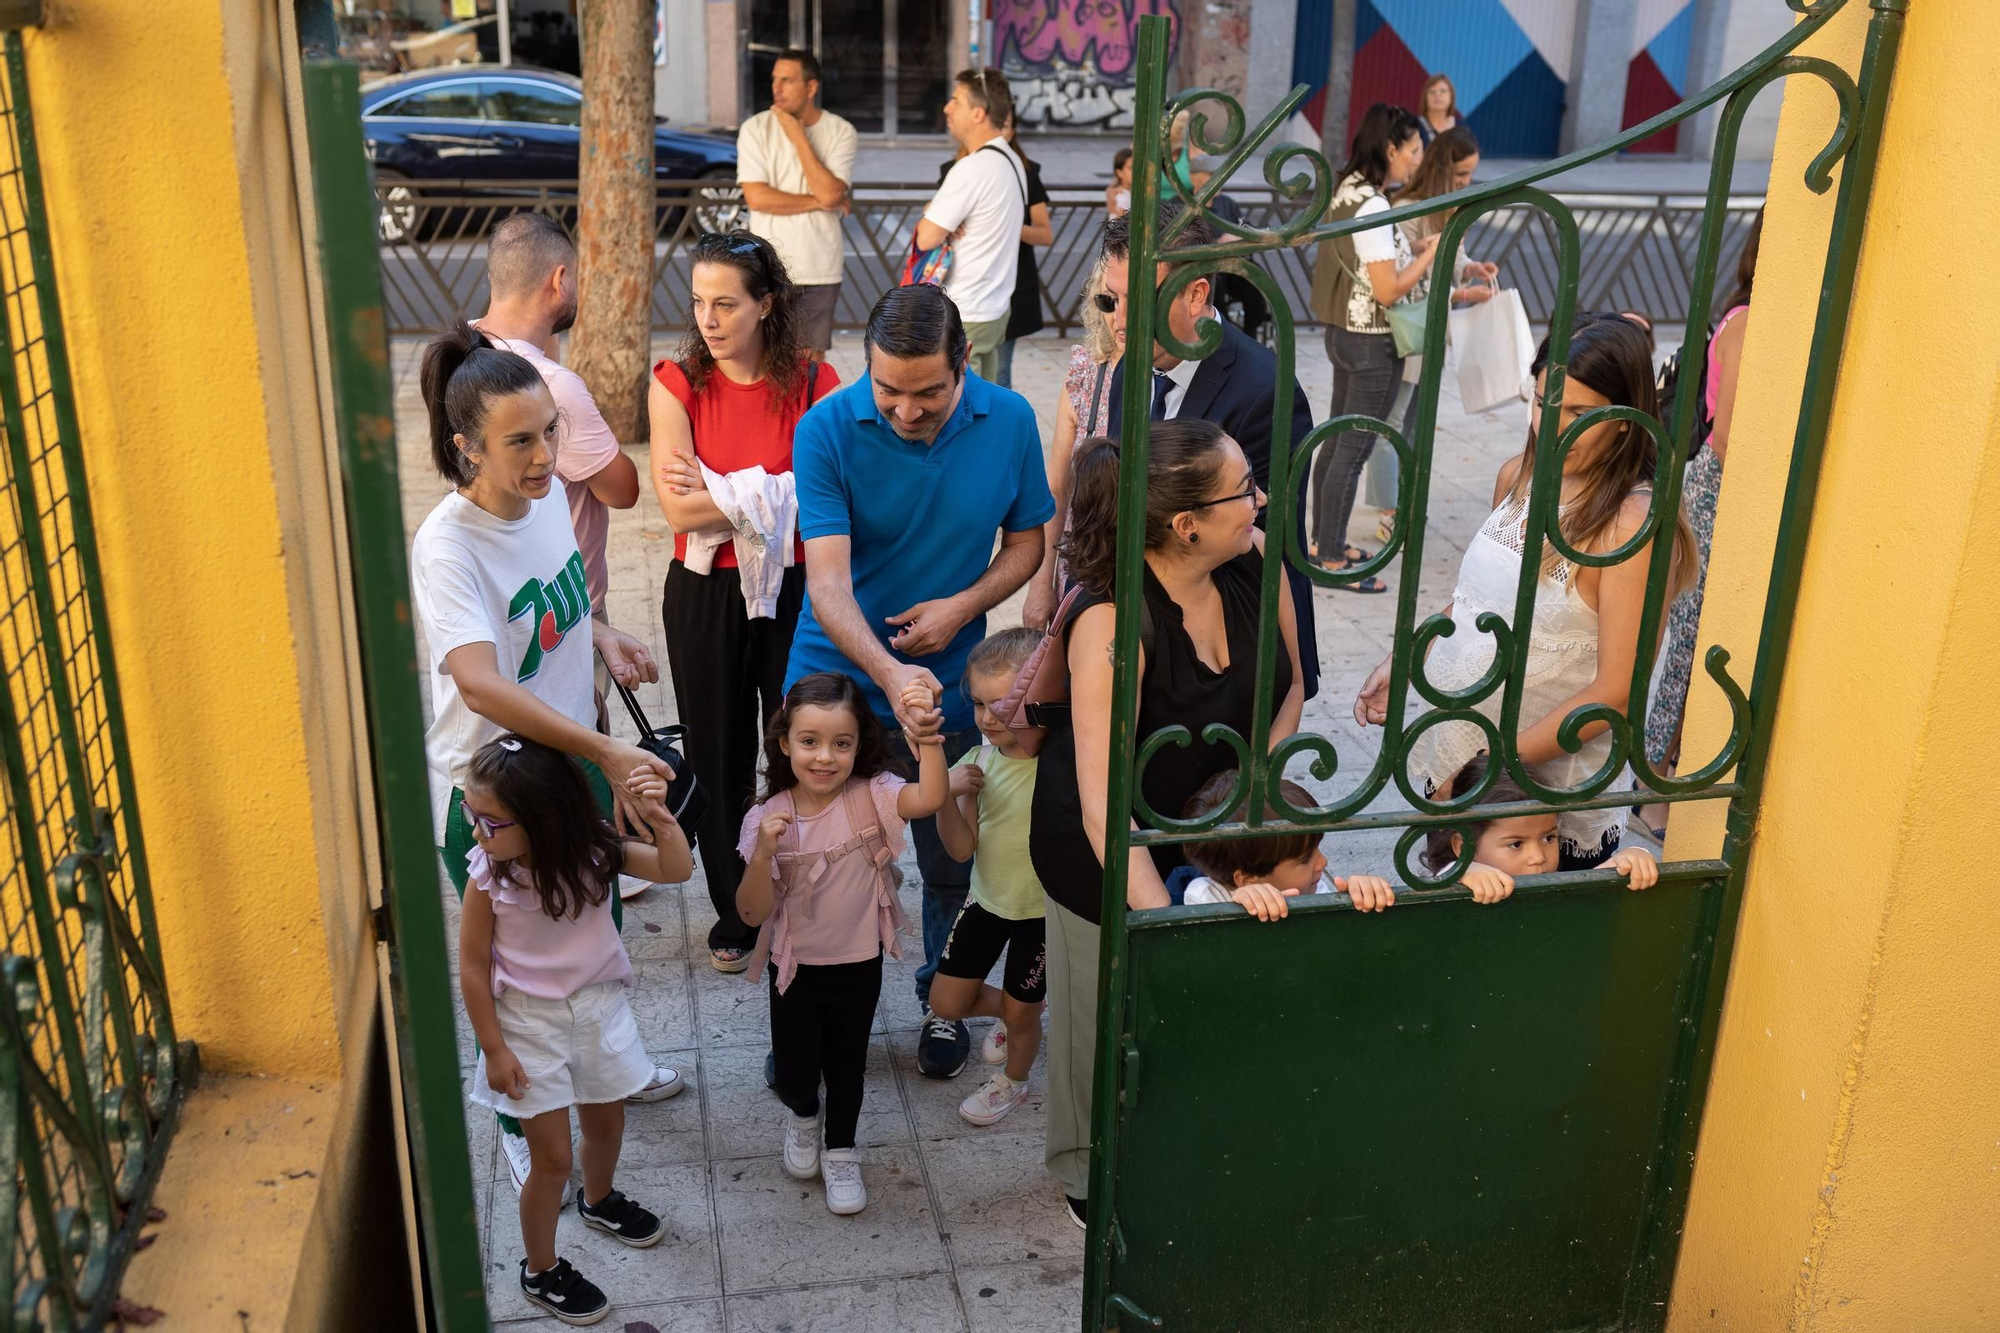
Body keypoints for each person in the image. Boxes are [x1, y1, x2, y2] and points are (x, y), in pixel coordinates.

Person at [413, 322, 684, 1199]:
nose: (543, 457)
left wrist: (598, 631)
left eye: (549, 434)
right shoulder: (447, 545)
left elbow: (553, 609)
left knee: (586, 935)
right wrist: (607, 748)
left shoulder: (540, 511)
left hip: (571, 773)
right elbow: (482, 685)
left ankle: (606, 1066)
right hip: (503, 795)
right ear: (466, 447)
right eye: (520, 442)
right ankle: (518, 1116)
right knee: (518, 978)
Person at [1029, 420, 1304, 1230]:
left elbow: (1290, 686)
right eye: (1243, 486)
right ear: (1186, 525)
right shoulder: (1113, 620)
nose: (1260, 497)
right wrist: (1161, 921)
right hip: (1102, 841)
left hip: (1213, 829)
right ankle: (1086, 1173)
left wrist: (1249, 797)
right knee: (1100, 1005)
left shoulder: (1256, 560)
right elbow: (1101, 802)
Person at [785, 283, 1054, 1078]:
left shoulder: (1009, 420)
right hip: (835, 680)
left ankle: (941, 997)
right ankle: (807, 1021)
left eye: (928, 391)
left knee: (948, 857)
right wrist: (892, 665)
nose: (905, 409)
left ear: (965, 363)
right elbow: (828, 585)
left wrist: (963, 607)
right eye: (888, 389)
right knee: (820, 863)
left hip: (953, 684)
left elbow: (1030, 541)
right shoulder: (825, 427)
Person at [1354, 315, 1698, 870]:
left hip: (1534, 812)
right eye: (1541, 403)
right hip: (1456, 771)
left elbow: (1615, 694)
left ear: (1627, 421)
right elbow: (1478, 601)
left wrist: (1495, 769)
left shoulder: (1629, 526)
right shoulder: (1517, 474)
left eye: (1580, 415)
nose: (1551, 427)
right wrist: (1409, 655)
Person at [649, 230, 841, 973]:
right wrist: (770, 493)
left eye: (726, 302)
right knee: (719, 752)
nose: (709, 318)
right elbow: (676, 510)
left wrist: (721, 491)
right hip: (703, 590)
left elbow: (828, 494)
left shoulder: (815, 382)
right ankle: (737, 908)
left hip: (796, 585)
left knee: (804, 742)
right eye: (698, 302)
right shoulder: (676, 383)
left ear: (767, 305)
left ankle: (814, 888)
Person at [458, 736, 695, 1325]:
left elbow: (675, 867)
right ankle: (540, 1268)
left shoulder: (595, 852)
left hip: (598, 1011)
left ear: (544, 817)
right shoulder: (489, 877)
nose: (477, 832)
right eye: (472, 815)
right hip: (526, 1027)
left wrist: (661, 819)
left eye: (491, 821)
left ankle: (600, 1199)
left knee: (607, 1124)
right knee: (552, 1160)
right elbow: (470, 965)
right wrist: (493, 1047)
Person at [736, 671, 947, 1215]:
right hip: (795, 969)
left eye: (841, 743)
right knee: (794, 1072)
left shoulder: (872, 797)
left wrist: (926, 739)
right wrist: (762, 854)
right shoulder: (767, 817)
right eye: (809, 742)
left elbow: (929, 797)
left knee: (848, 1065)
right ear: (785, 743)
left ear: (861, 745)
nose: (824, 757)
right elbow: (751, 911)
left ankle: (842, 1149)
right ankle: (804, 1117)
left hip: (859, 964)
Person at [1101, 201, 1323, 699]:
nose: (1118, 323)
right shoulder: (1129, 369)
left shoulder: (1264, 390)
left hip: (1231, 656)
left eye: (1135, 300)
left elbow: (1258, 543)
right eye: (1110, 300)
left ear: (1197, 293)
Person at [471, 213, 639, 664]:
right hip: (561, 611)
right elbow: (623, 490)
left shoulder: (457, 356)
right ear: (560, 280)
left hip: (492, 599)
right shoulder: (550, 386)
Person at [1643, 211, 1762, 835]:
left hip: (1737, 489)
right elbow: (1734, 430)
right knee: (1692, 640)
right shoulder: (1748, 322)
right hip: (1721, 487)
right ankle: (1653, 787)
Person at [1308, 103, 1439, 594]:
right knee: (1353, 447)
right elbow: (1387, 290)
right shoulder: (1375, 205)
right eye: (1413, 150)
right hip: (1370, 342)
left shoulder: (1348, 189)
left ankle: (1323, 544)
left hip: (1342, 333)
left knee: (1338, 441)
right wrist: (1427, 256)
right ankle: (1334, 557)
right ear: (1390, 149)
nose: (1417, 161)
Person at [930, 628, 1047, 1127]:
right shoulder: (976, 763)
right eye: (978, 704)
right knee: (945, 1002)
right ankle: (1017, 1016)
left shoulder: (1064, 762)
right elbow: (960, 848)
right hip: (986, 902)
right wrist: (950, 795)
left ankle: (1014, 1081)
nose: (985, 717)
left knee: (1024, 1016)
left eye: (1001, 703)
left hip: (1042, 913)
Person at [1373, 125, 1499, 546]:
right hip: (1411, 327)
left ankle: (1402, 503)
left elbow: (1454, 258)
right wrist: (1463, 290)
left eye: (1470, 175)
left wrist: (1473, 268)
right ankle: (1389, 510)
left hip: (1434, 329)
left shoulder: (1451, 205)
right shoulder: (1406, 208)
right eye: (1461, 174)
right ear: (1443, 169)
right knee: (1394, 419)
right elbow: (1412, 279)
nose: (1466, 183)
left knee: (1415, 420)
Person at [735, 48, 858, 360]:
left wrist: (798, 137)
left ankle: (808, 413)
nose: (776, 88)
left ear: (811, 87)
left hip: (818, 267)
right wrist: (821, 201)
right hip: (767, 265)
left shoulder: (841, 131)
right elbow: (757, 198)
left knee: (808, 364)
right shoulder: (755, 129)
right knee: (763, 359)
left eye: (787, 80)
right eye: (775, 79)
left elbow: (832, 193)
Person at [1022, 259, 1119, 631]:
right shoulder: (1087, 369)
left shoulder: (1173, 378)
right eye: (1107, 302)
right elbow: (1057, 487)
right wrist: (1040, 584)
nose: (1118, 316)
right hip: (1084, 565)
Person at [916, 69, 1028, 382]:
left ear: (978, 113)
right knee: (984, 408)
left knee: (962, 417)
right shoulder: (1010, 160)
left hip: (967, 312)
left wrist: (933, 213)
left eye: (956, 102)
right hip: (994, 309)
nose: (946, 109)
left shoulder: (972, 168)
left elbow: (926, 236)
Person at [1420, 753, 1659, 899]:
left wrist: (1630, 858)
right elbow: (1432, 898)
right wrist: (1459, 872)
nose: (1538, 857)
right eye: (1516, 844)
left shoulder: (1549, 885)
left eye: (1548, 838)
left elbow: (1579, 899)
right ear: (1464, 847)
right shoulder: (1459, 879)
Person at [1175, 772, 1395, 918]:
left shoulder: (1313, 888)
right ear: (1248, 881)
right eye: (1305, 859)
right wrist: (1236, 907)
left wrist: (1361, 897)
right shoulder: (1204, 897)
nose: (1323, 862)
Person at [994, 111, 1054, 390]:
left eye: (1004, 126)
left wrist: (1008, 223)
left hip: (1011, 286)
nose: (997, 134)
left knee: (1000, 371)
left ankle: (999, 433)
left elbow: (1044, 233)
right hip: (963, 286)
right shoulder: (955, 169)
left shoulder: (1026, 173)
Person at [1416, 73, 1461, 145]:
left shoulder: (1461, 128)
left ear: (1451, 97)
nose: (1437, 95)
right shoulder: (1415, 126)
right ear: (1425, 98)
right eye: (1432, 92)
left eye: (1443, 91)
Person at [1106, 147, 1133, 218]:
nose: (1135, 172)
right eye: (1131, 168)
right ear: (1119, 172)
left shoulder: (1126, 194)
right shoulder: (1122, 197)